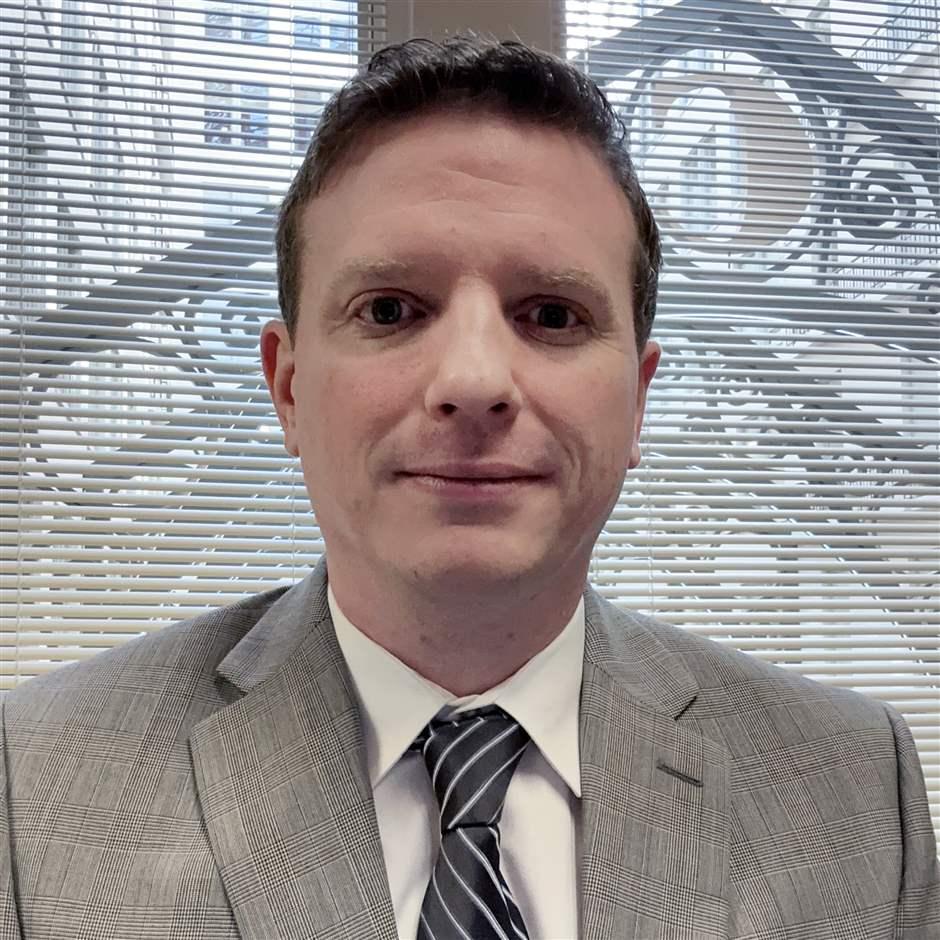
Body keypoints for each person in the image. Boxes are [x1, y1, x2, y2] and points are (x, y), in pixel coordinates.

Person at [1, 34, 937, 940]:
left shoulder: (856, 789)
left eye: (552, 315)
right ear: (288, 388)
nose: (476, 380)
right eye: (390, 309)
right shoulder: (33, 783)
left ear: (637, 400)